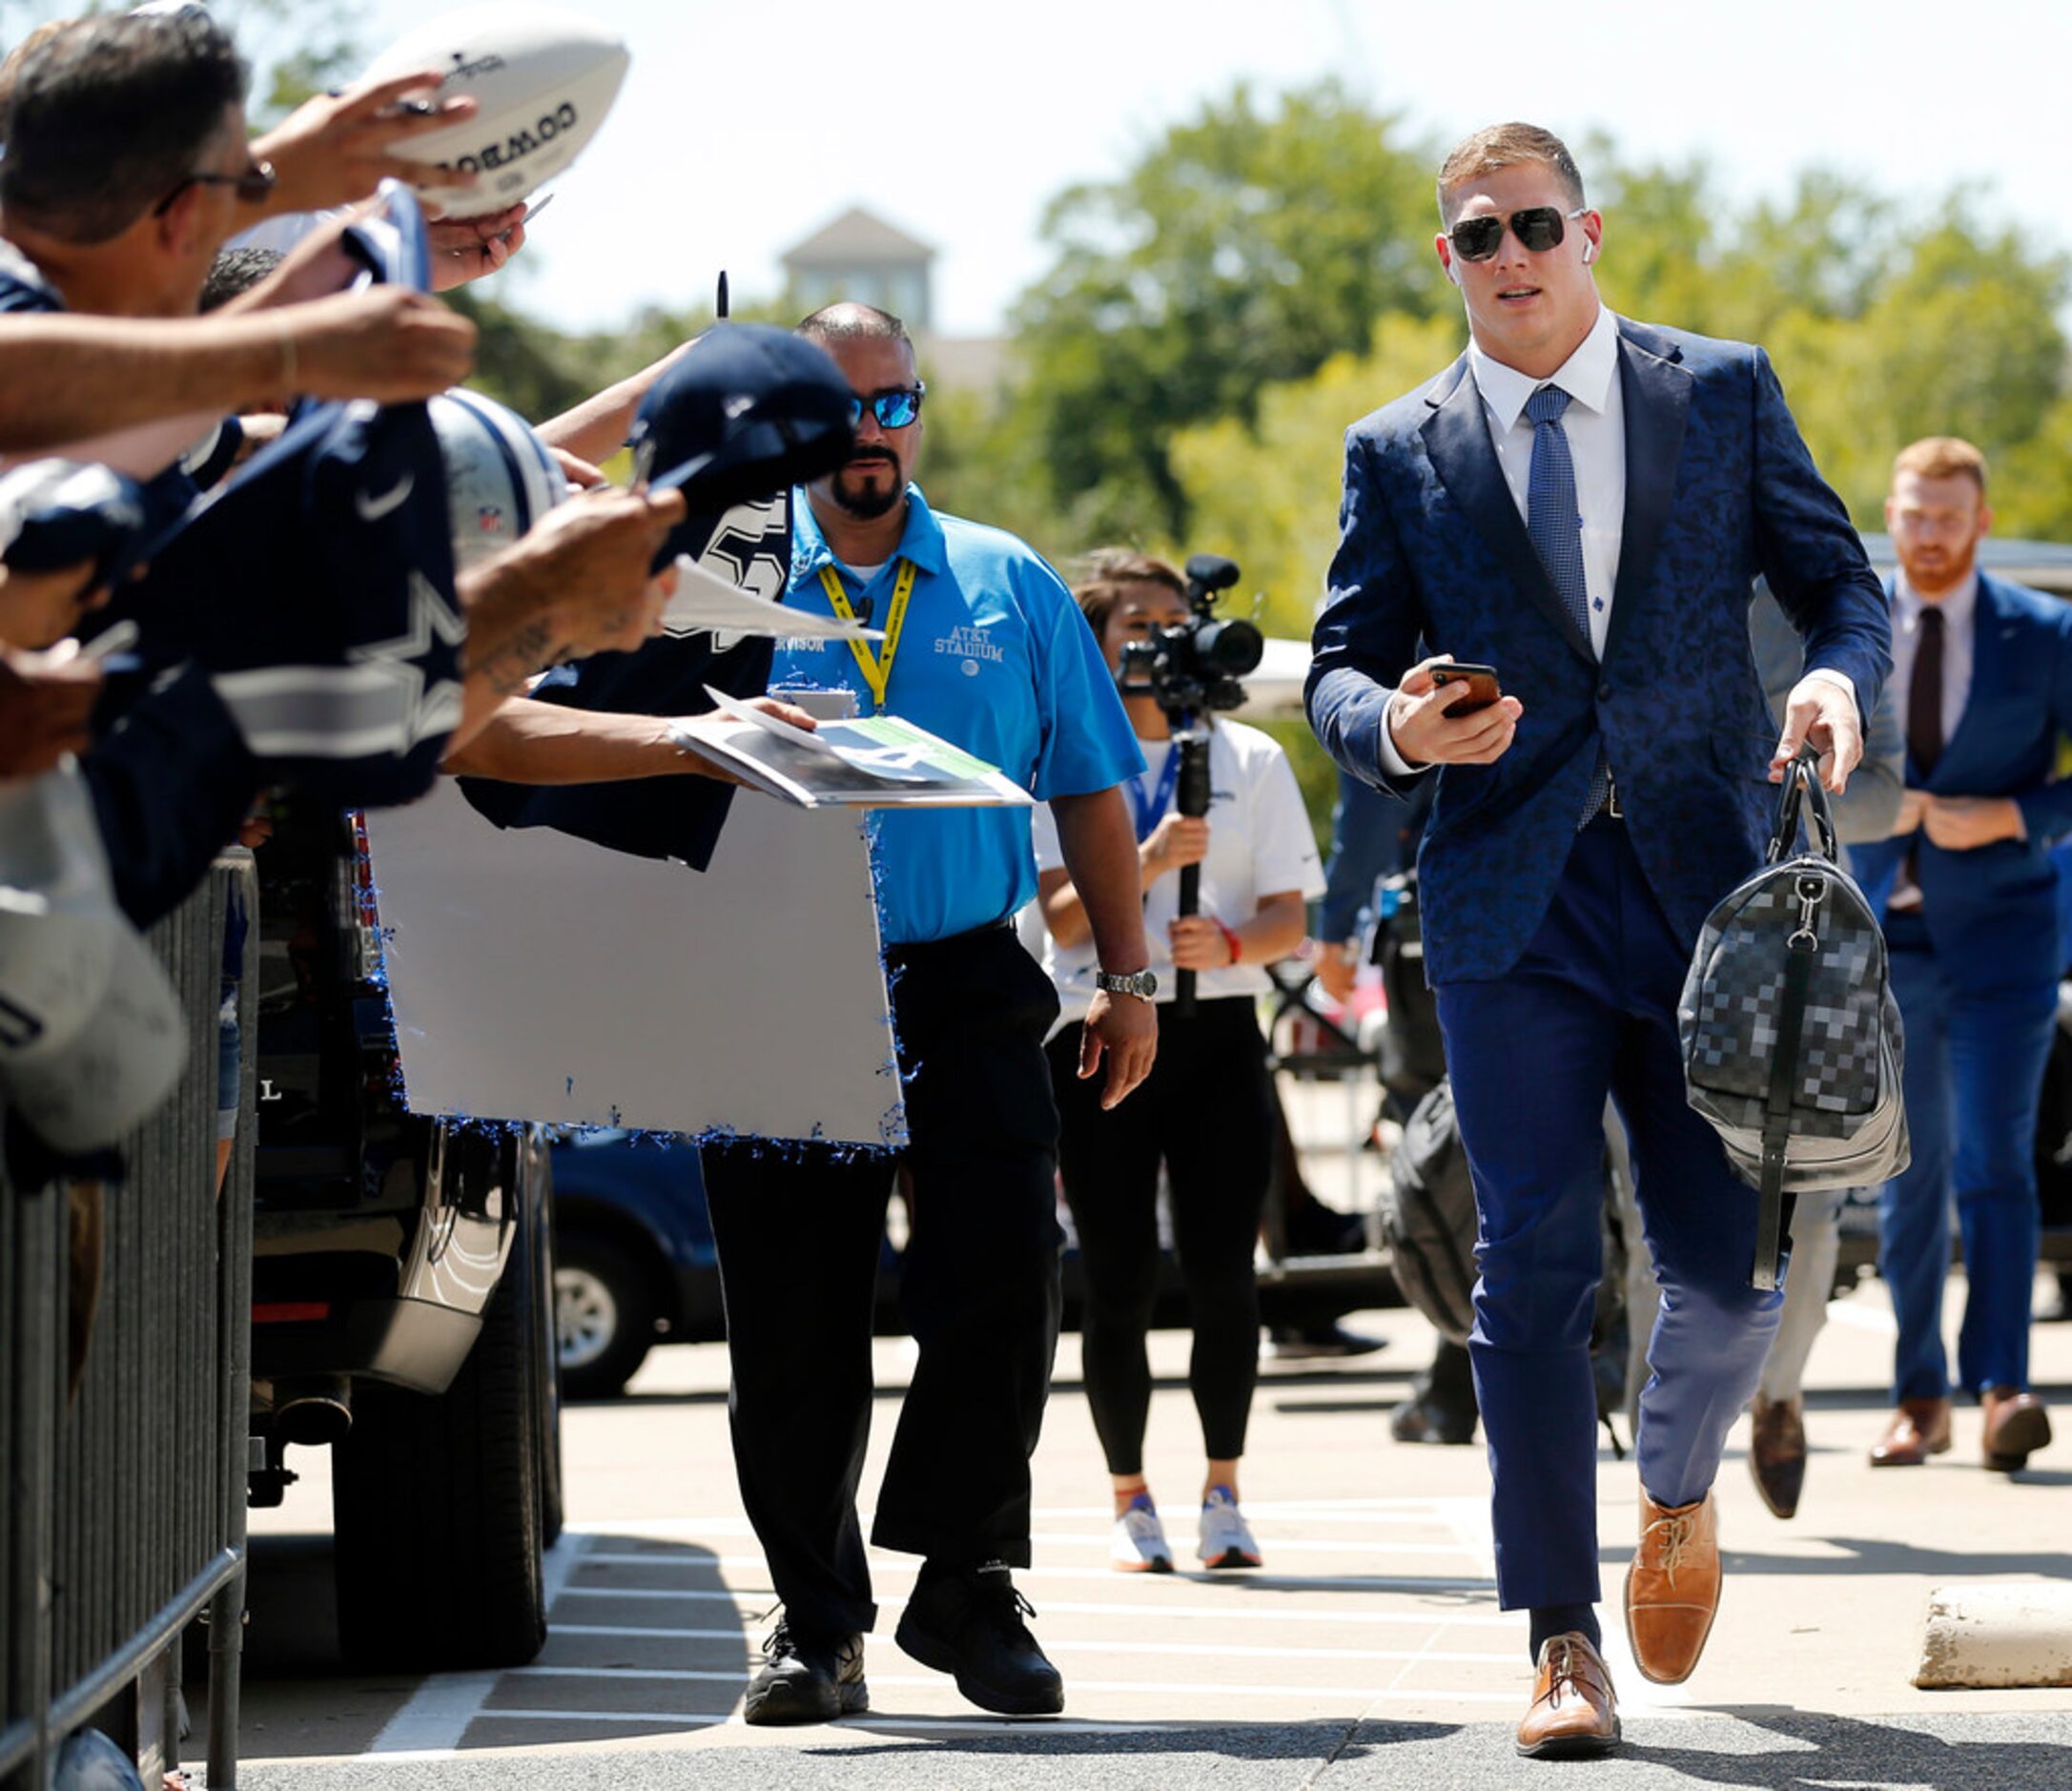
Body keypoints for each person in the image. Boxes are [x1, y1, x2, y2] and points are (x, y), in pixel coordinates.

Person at [1305, 123, 1888, 1759]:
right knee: (1534, 1259)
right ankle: (1559, 1634)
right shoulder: (1396, 448)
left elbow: (1839, 585)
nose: (1509, 254)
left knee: (1720, 1272)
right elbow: (1344, 668)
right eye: (1476, 233)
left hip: (1711, 893)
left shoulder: (1720, 389)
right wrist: (1401, 735)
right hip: (1508, 900)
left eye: (1533, 223)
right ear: (1447, 259)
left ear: (1588, 230)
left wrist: (1834, 676)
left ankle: (1677, 1489)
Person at [698, 303, 1156, 1725]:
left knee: (1004, 1282)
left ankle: (963, 1579)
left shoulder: (1005, 580)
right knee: (792, 1319)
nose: (872, 434)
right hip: (778, 977)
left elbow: (1089, 782)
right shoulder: (718, 579)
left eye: (895, 406)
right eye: (839, 411)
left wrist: (1129, 979)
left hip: (967, 972)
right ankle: (813, 1621)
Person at [1030, 548, 1323, 1575]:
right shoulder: (1063, 759)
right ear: (1097, 644)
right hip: (1100, 1033)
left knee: (1222, 1274)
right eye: (1136, 626)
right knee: (1114, 1278)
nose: (1159, 642)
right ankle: (1129, 1498)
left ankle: (1224, 1492)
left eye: (1172, 620)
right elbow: (1053, 917)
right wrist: (1145, 861)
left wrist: (1235, 944)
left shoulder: (1249, 761)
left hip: (1217, 1036)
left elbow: (1292, 913)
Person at [1847, 438, 2072, 1475]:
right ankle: (1918, 1396)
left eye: (1948, 515)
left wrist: (2016, 815)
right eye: (1912, 514)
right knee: (1908, 1170)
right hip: (1883, 941)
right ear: (1889, 519)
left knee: (1995, 1160)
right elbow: (1786, 765)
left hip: (2005, 940)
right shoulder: (1845, 633)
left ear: (1980, 521)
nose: (1928, 532)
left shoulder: (2045, 633)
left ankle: (2002, 1389)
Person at [1740, 582, 1904, 1519]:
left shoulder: (1837, 605)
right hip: (1659, 939)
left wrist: (1796, 776)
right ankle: (1665, 1469)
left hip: (1808, 955)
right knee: (1652, 1214)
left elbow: (1888, 794)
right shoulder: (1625, 575)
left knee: (1812, 1211)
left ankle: (1780, 1391)